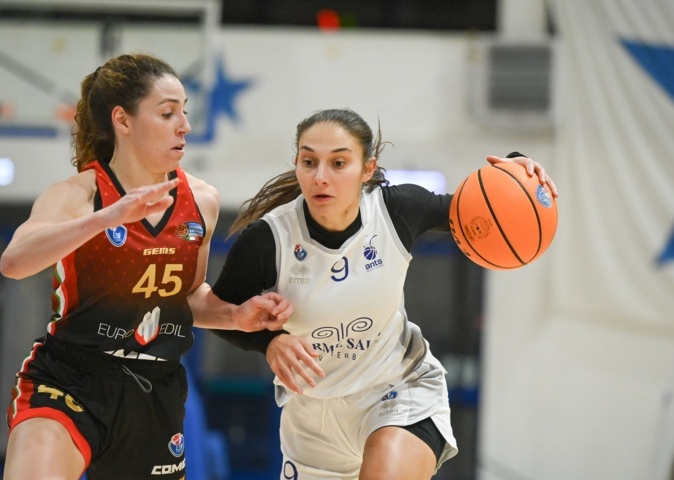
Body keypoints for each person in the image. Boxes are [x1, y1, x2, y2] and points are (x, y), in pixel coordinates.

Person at [208, 108, 559, 479]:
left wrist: (519, 168)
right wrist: (269, 343)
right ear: (297, 164)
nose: (321, 176)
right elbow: (217, 312)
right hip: (313, 418)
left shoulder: (396, 210)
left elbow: (479, 208)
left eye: (338, 163)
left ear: (367, 169)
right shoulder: (269, 240)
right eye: (309, 162)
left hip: (396, 389)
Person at [0, 53, 291, 480]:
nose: (184, 125)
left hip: (154, 389)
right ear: (123, 119)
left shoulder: (202, 201)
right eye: (168, 113)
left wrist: (235, 315)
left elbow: (187, 296)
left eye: (184, 112)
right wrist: (107, 218)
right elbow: (14, 262)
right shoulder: (78, 195)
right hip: (70, 379)